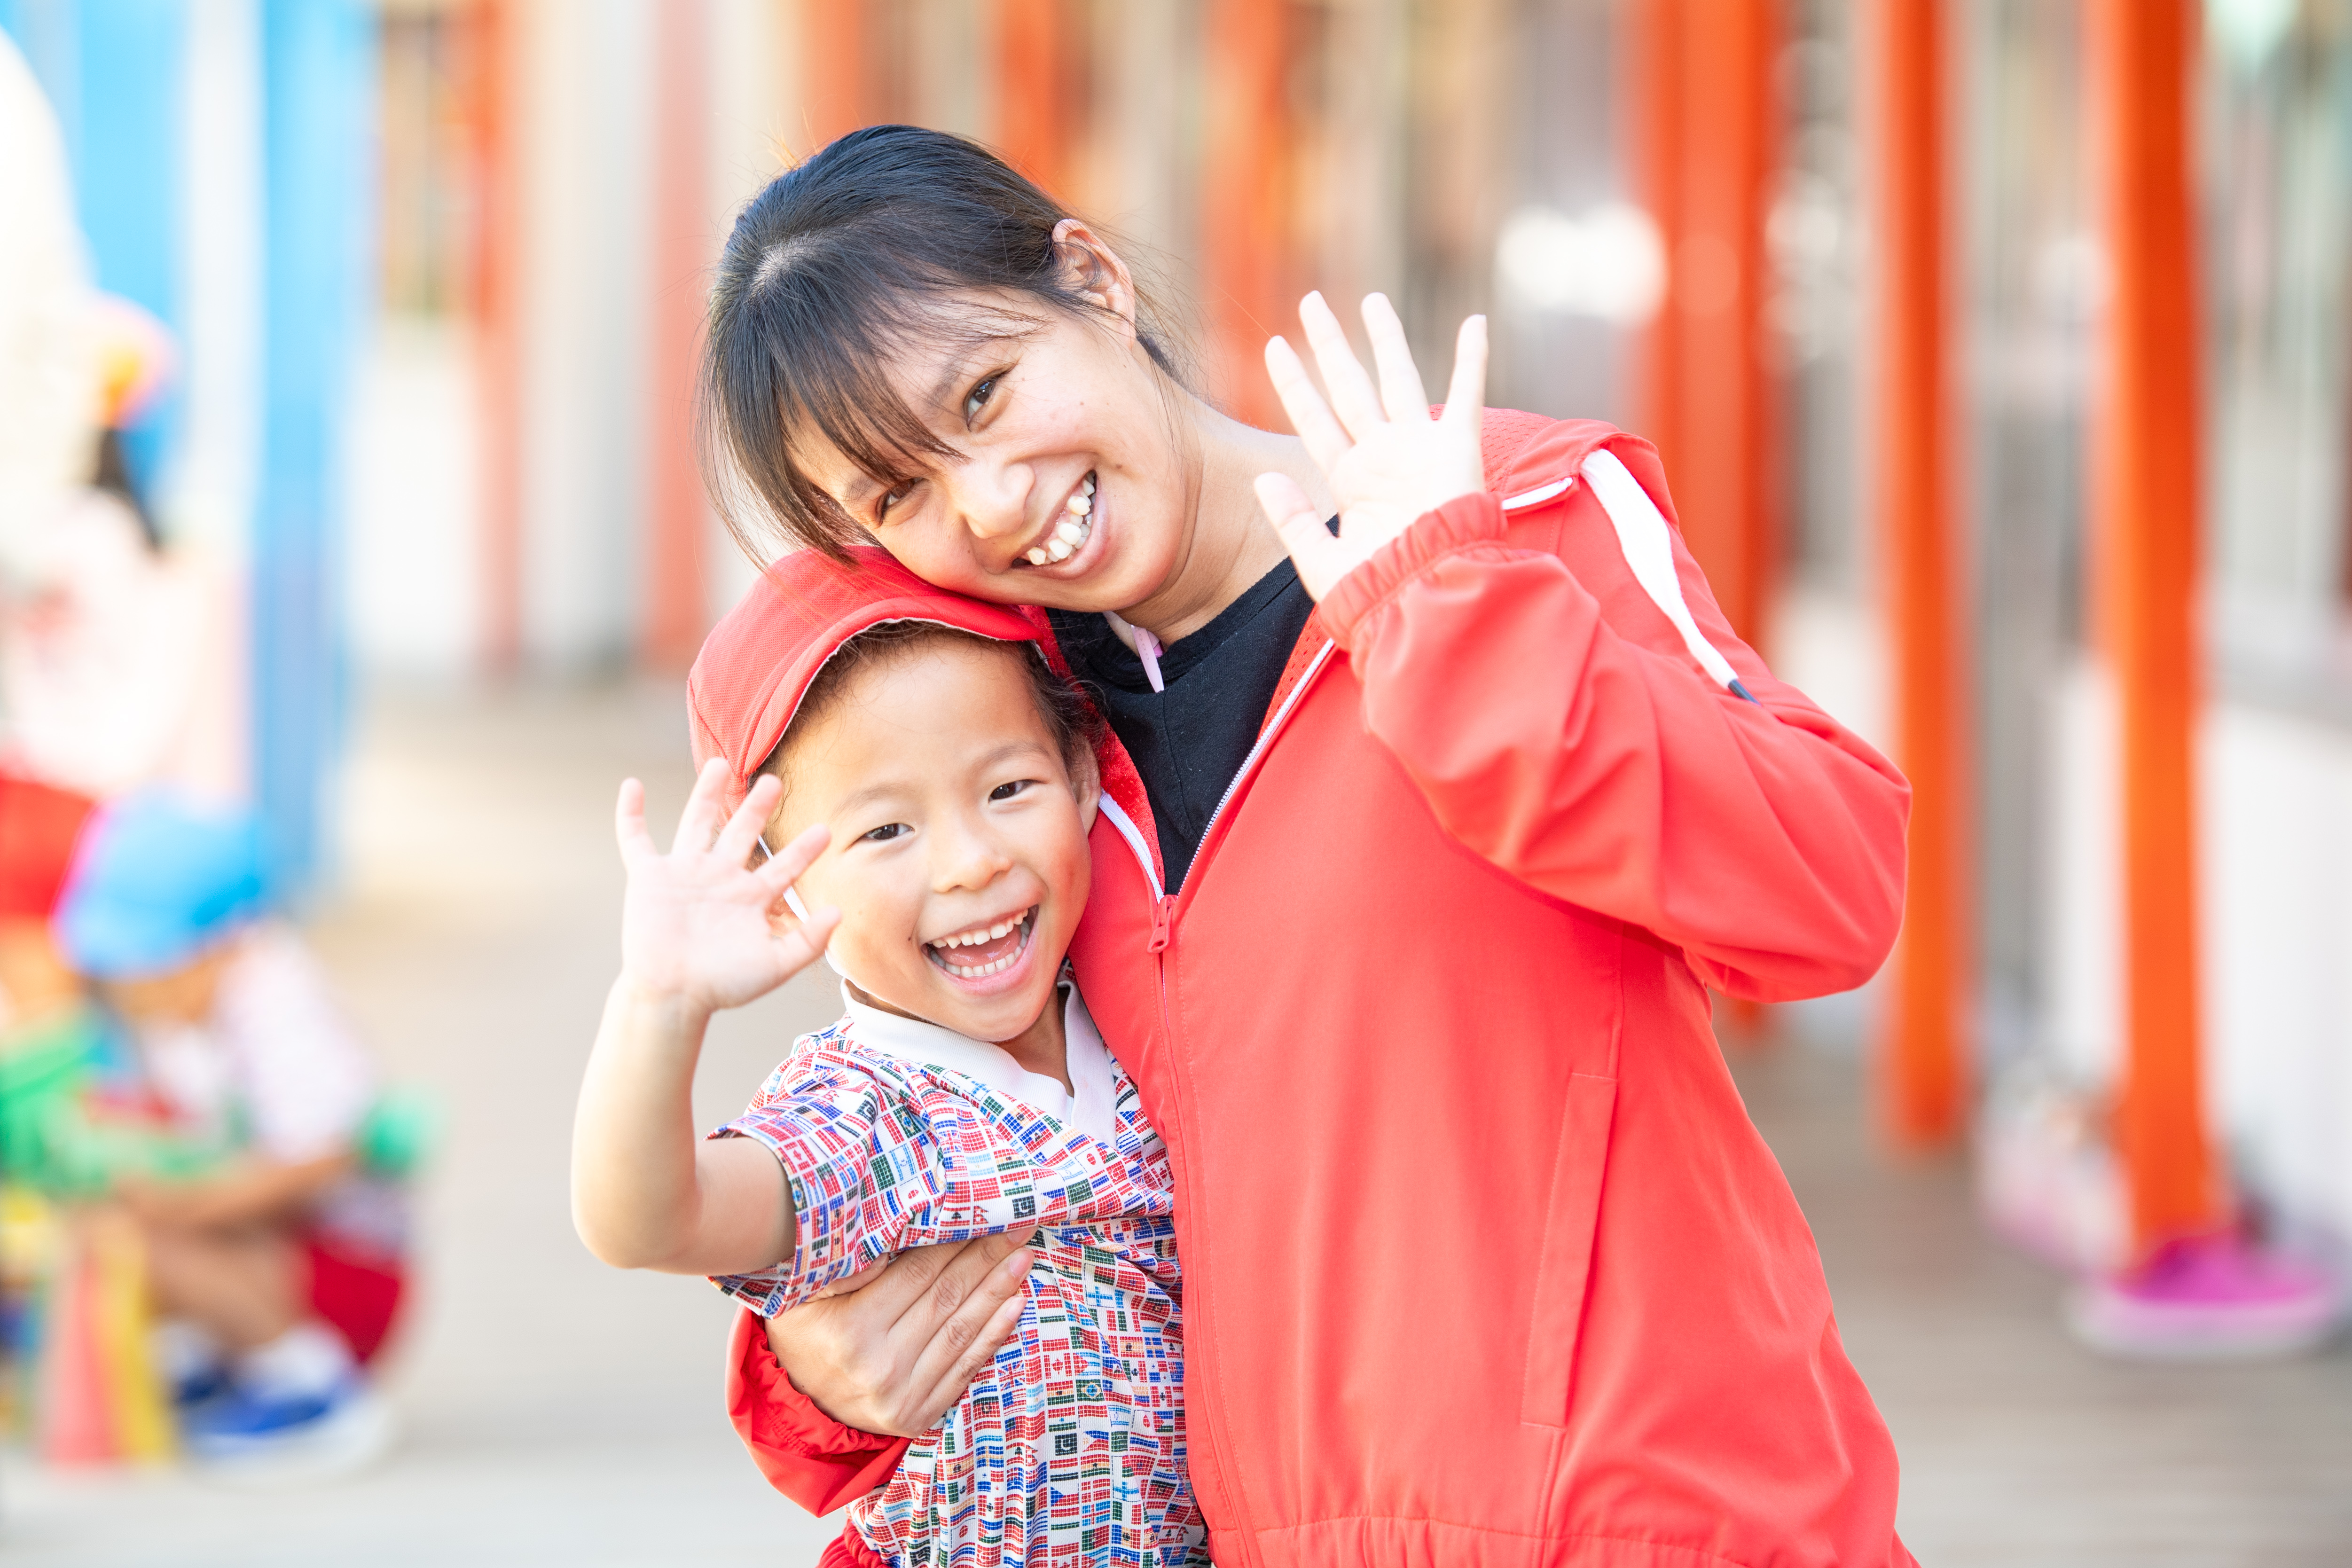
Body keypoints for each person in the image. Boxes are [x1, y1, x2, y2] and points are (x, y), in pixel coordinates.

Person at [701, 125, 1916, 1567]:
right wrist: (828, 1376)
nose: (990, 502)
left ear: (1088, 281)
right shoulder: (1012, 748)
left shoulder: (1505, 513)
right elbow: (980, 1142)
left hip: (1650, 1522)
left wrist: (1449, 611)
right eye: (899, 495)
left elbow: (1831, 893)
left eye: (986, 394)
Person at [574, 548, 1203, 1567]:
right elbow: (646, 1217)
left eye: (1006, 788)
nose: (970, 860)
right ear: (784, 887)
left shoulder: (1142, 1030)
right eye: (887, 830)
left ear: (1083, 774)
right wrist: (659, 1004)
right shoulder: (865, 1110)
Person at [52, 791, 401, 1469]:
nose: (127, 994)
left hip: (350, 1271)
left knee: (145, 1232)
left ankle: (312, 1387)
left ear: (218, 947)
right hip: (286, 1250)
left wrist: (197, 1202)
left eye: (142, 972)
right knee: (111, 1214)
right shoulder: (189, 1015)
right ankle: (215, 1360)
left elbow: (330, 1152)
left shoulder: (278, 1002)